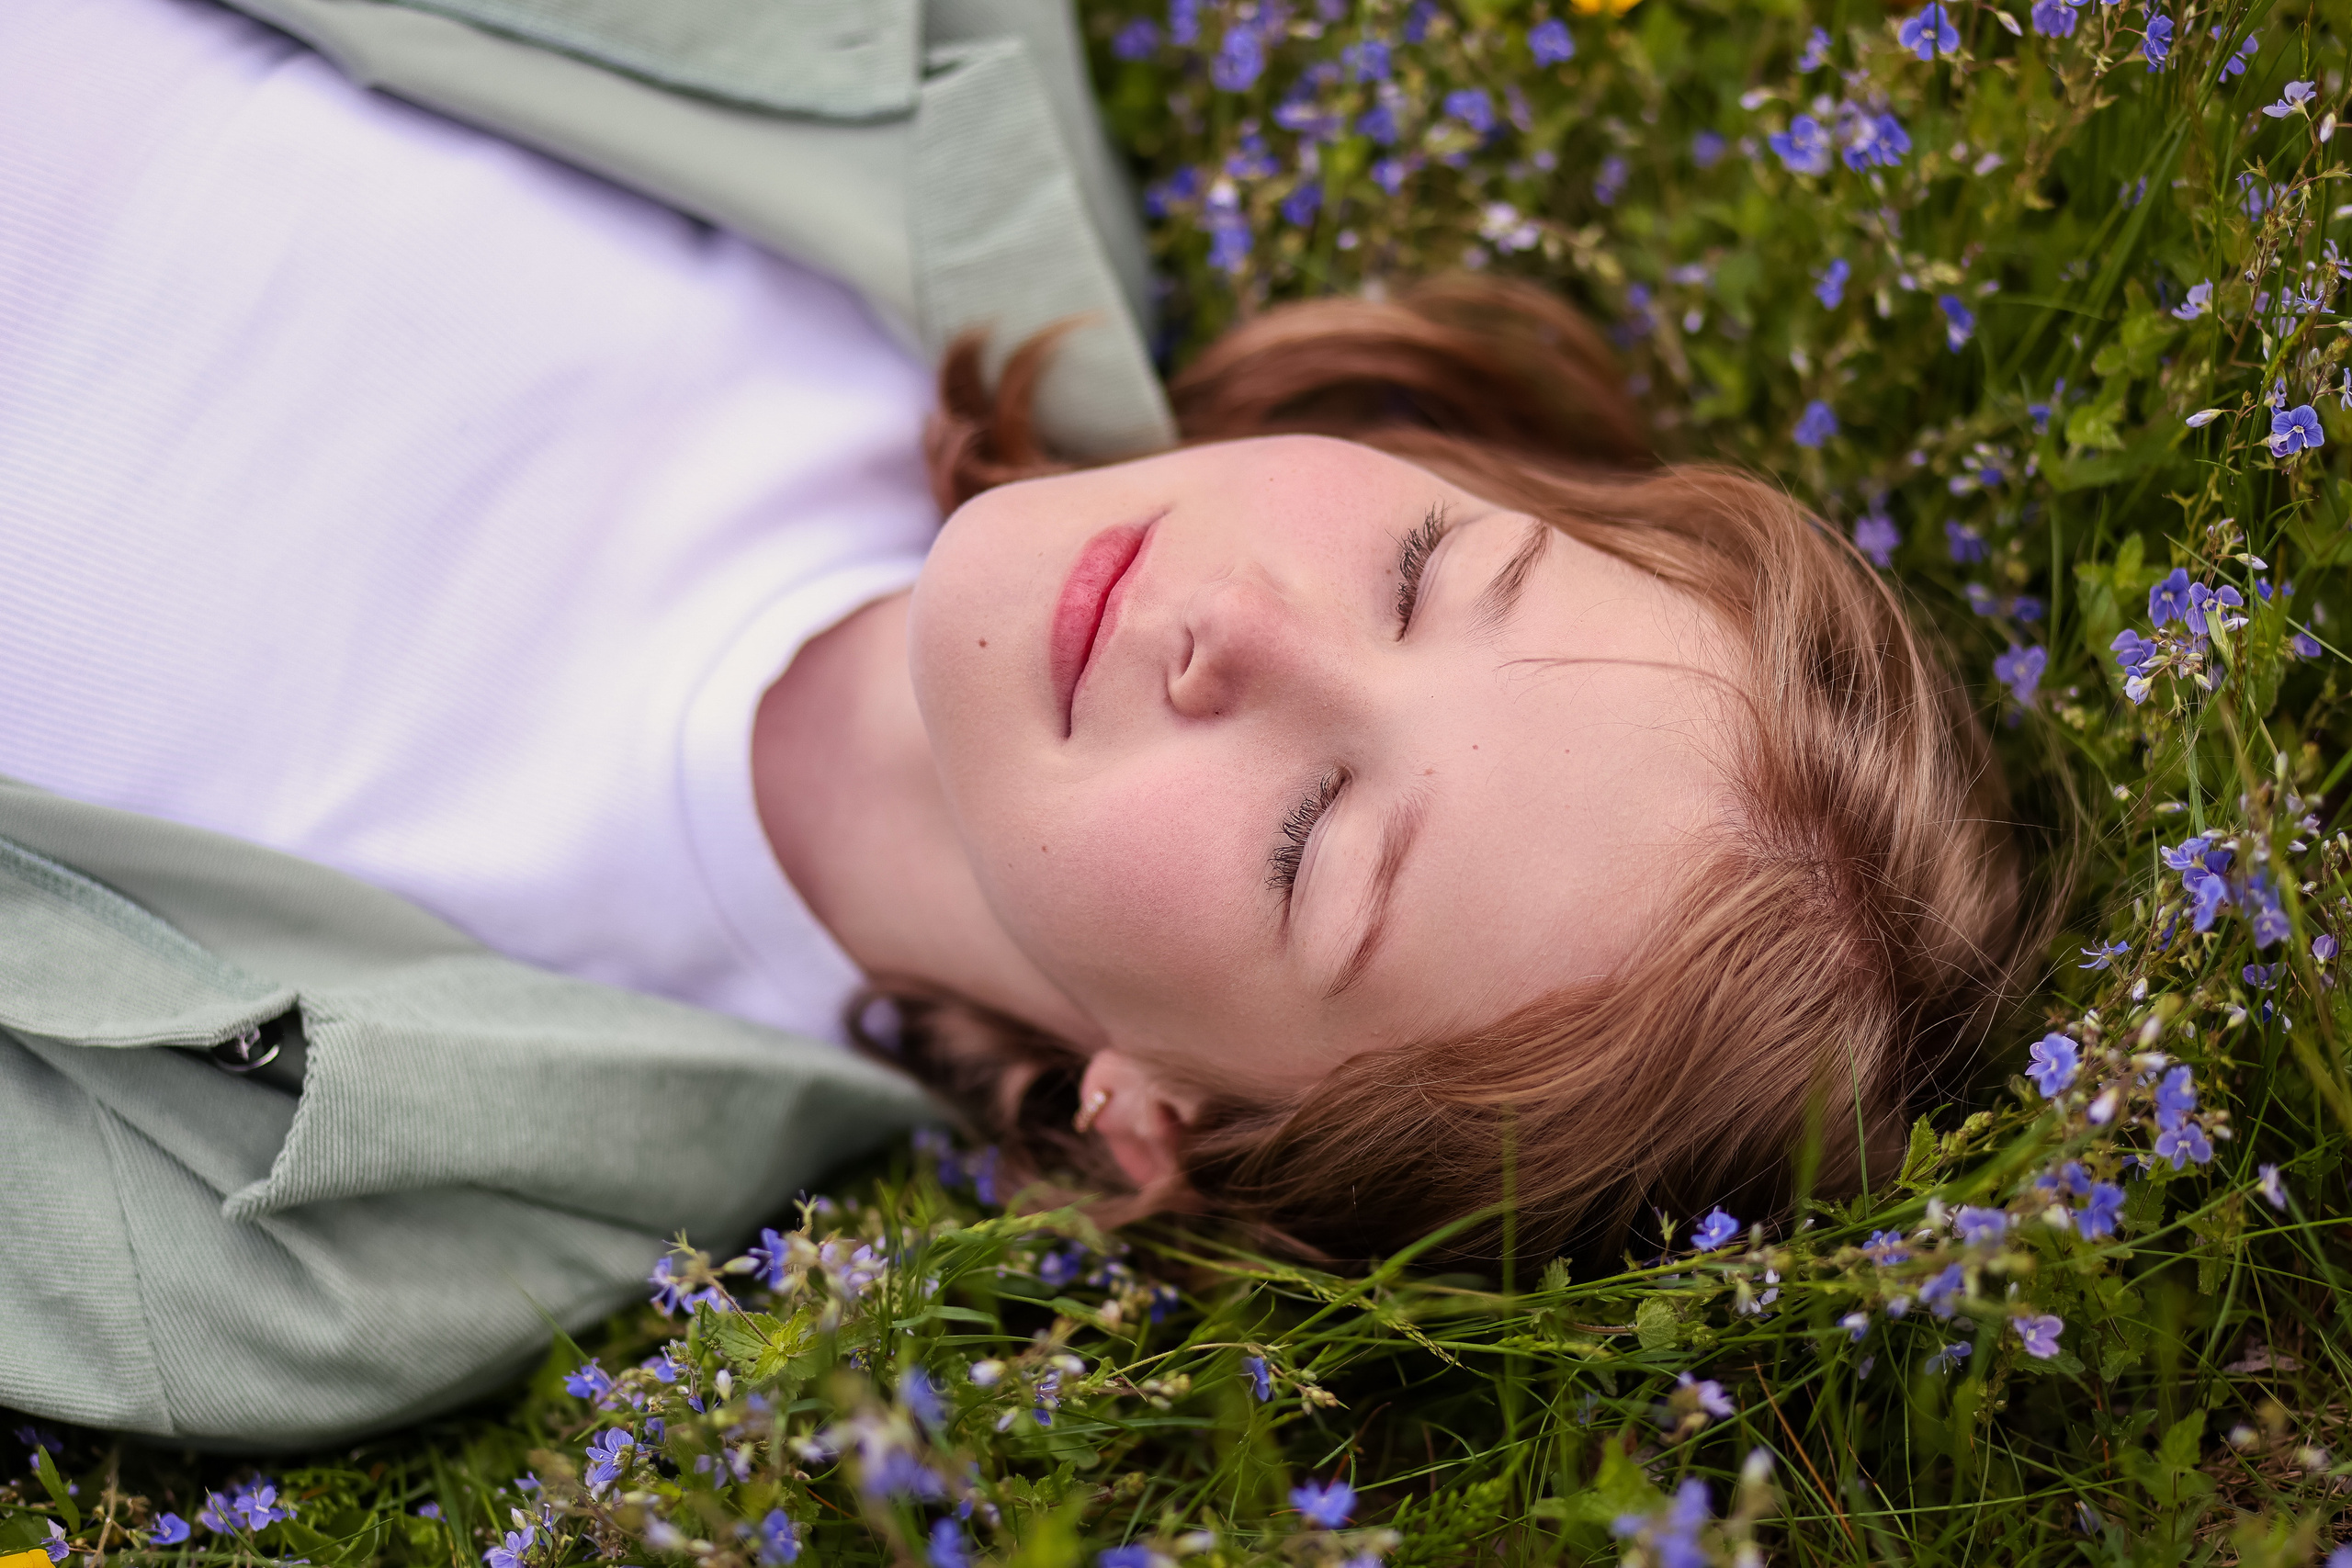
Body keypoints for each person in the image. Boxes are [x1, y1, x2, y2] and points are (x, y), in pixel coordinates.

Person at [0, 0, 2024, 1320]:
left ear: (1163, 1125)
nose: (1240, 632)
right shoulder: (912, 51)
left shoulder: (328, 1247)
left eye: (1313, 840)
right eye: (1419, 567)